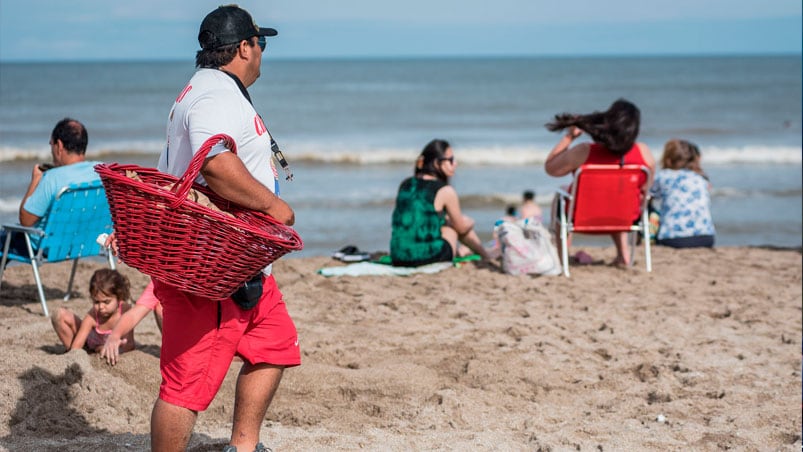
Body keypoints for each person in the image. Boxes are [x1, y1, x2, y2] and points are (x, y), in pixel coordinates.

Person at [151, 6, 299, 452]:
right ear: (242, 48)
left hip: (244, 263)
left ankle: (243, 446)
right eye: (261, 44)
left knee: (274, 345)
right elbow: (215, 164)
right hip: (214, 266)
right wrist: (276, 206)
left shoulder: (212, 88)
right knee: (186, 385)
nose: (262, 55)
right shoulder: (215, 96)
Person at [544, 98, 656, 266]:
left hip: (581, 218)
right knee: (620, 195)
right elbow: (646, 189)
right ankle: (623, 255)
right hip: (625, 220)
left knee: (562, 193)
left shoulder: (584, 151)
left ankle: (563, 258)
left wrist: (569, 137)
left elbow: (551, 168)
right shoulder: (643, 152)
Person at [1, 118, 100, 256]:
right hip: (86, 244)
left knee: (4, 238)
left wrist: (35, 180)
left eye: (51, 145)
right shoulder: (101, 172)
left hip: (49, 248)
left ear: (59, 146)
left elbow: (25, 221)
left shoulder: (52, 178)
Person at [390, 139, 492, 266]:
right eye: (451, 160)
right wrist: (470, 222)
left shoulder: (405, 184)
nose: (455, 163)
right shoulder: (445, 190)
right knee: (453, 227)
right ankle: (486, 256)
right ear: (437, 163)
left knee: (446, 222)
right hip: (426, 257)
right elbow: (460, 228)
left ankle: (475, 253)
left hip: (398, 256)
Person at [649, 139, 715, 248]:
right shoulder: (701, 178)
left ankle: (645, 240)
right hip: (706, 236)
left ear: (668, 158)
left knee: (648, 209)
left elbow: (647, 198)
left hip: (672, 237)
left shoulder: (663, 176)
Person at [51, 269, 134, 354]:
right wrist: (78, 354)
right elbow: (76, 347)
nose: (101, 307)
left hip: (111, 348)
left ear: (119, 297)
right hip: (89, 346)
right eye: (96, 302)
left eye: (106, 302)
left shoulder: (125, 311)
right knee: (59, 315)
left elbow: (129, 345)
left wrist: (107, 350)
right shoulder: (93, 316)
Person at [100, 280, 163, 366]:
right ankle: (173, 348)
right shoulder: (161, 281)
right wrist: (115, 335)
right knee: (159, 305)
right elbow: (135, 314)